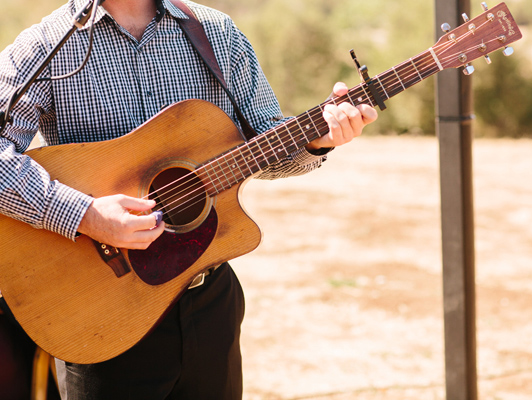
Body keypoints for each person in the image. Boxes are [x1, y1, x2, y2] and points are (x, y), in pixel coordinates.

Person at [0, 0, 378, 398]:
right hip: (103, 314)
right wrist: (84, 214)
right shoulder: (44, 46)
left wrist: (317, 140)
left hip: (209, 303)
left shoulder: (215, 32)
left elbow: (262, 146)